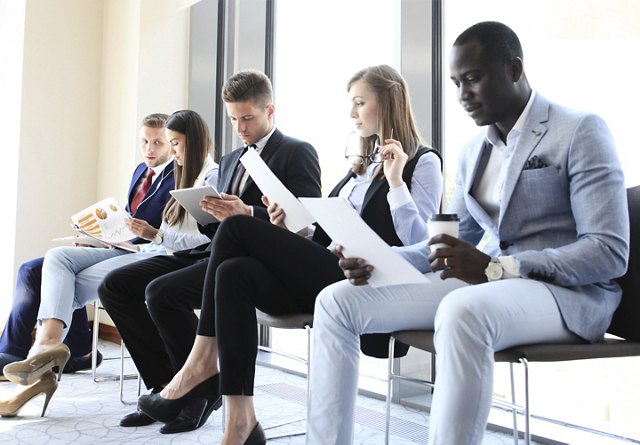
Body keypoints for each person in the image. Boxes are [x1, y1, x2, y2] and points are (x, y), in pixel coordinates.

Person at [305, 21, 630, 445]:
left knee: (462, 312)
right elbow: (440, 245)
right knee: (336, 301)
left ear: (514, 69)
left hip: (568, 295)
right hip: (486, 285)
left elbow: (607, 252)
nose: (462, 95)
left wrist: (498, 268)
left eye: (473, 79)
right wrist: (380, 259)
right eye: (456, 83)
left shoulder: (580, 130)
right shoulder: (474, 150)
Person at [137, 64, 444, 445]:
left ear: (389, 101)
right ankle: (240, 423)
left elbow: (422, 242)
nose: (352, 113)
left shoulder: (423, 162)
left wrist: (396, 182)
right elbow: (323, 234)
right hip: (330, 264)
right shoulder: (358, 168)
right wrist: (290, 227)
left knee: (236, 226)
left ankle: (199, 365)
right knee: (233, 272)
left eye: (360, 103)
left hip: (371, 279)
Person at [97, 69, 322, 434]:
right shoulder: (233, 160)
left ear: (270, 110)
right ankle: (166, 386)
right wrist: (207, 212)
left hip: (255, 261)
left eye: (248, 118)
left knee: (161, 292)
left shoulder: (297, 152)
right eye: (234, 119)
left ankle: (195, 390)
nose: (241, 127)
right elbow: (218, 226)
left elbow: (307, 222)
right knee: (116, 286)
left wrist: (249, 214)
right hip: (213, 252)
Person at [0, 109, 219, 418]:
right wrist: (100, 237)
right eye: (147, 141)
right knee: (55, 259)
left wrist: (154, 234)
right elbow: (166, 229)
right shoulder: (153, 172)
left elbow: (198, 236)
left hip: (160, 253)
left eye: (167, 143)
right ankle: (49, 347)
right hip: (136, 248)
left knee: (76, 283)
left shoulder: (196, 174)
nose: (156, 149)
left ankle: (50, 359)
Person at [0, 113, 175, 380]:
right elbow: (127, 221)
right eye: (144, 141)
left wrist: (147, 236)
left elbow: (172, 234)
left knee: (61, 274)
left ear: (171, 145)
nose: (149, 149)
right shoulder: (141, 171)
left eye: (157, 143)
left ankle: (39, 352)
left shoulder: (178, 176)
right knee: (35, 268)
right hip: (120, 247)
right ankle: (74, 349)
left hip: (147, 254)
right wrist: (96, 236)